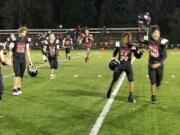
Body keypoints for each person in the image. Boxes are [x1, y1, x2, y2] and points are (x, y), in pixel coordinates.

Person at [107, 32, 144, 103]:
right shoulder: (119, 45)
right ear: (123, 38)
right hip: (119, 65)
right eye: (126, 37)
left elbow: (137, 56)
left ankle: (130, 96)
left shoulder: (132, 46)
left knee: (131, 79)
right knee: (114, 79)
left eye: (128, 38)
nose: (127, 39)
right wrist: (113, 58)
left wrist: (141, 53)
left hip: (128, 65)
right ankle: (110, 89)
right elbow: (115, 52)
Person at [142, 25, 168, 104]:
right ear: (151, 34)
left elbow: (165, 56)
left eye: (157, 32)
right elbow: (139, 39)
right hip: (151, 65)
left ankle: (157, 85)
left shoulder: (162, 42)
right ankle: (153, 97)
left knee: (158, 82)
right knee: (153, 81)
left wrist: (159, 63)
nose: (156, 34)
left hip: (159, 65)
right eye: (154, 33)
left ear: (159, 33)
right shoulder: (148, 40)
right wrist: (140, 28)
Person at [9, 26, 33, 96]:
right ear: (20, 32)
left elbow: (27, 51)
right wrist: (10, 59)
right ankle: (14, 89)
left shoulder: (27, 39)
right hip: (16, 59)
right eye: (23, 32)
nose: (25, 34)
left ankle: (19, 87)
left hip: (23, 59)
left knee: (21, 74)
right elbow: (10, 50)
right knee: (17, 73)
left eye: (25, 32)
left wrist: (30, 61)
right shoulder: (14, 39)